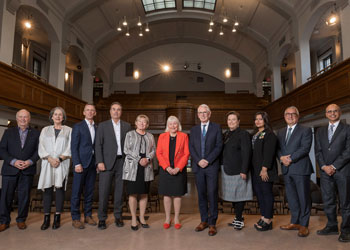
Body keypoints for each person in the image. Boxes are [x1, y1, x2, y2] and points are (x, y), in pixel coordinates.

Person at [0, 109, 40, 232]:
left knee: (24, 197)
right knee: (6, 197)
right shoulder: (8, 132)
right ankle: (3, 221)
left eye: (26, 117)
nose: (23, 119)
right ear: (17, 119)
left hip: (27, 170)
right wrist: (13, 161)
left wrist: (30, 162)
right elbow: (2, 150)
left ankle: (21, 219)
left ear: (29, 119)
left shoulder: (36, 133)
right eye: (21, 117)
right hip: (10, 169)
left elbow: (39, 151)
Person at [315, 104, 350, 242]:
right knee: (328, 201)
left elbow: (348, 151)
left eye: (335, 111)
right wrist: (324, 166)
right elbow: (318, 151)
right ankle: (332, 226)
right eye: (329, 111)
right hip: (325, 173)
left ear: (340, 113)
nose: (332, 113)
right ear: (326, 114)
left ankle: (346, 230)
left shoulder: (347, 129)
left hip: (343, 171)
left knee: (346, 203)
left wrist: (334, 166)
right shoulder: (320, 131)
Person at [277, 106, 313, 237]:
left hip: (300, 168)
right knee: (292, 198)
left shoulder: (305, 130)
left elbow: (305, 148)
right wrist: (281, 157)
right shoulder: (280, 131)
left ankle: (304, 225)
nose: (290, 116)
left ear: (297, 116)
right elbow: (278, 148)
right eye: (287, 114)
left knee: (303, 198)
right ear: (284, 116)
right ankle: (294, 222)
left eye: (293, 114)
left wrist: (290, 159)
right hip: (287, 170)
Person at [95, 102, 131, 230]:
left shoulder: (127, 126)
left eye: (119, 110)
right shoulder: (103, 126)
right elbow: (98, 145)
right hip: (106, 162)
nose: (116, 112)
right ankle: (102, 219)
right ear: (110, 111)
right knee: (104, 192)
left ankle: (118, 216)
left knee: (120, 192)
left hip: (122, 162)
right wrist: (99, 161)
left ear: (121, 112)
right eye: (114, 109)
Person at [189, 104, 223, 236]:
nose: (203, 114)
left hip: (211, 166)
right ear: (198, 115)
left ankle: (212, 223)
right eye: (200, 112)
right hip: (198, 167)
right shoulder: (194, 129)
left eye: (205, 112)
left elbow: (219, 146)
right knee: (201, 194)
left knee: (212, 194)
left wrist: (207, 160)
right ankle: (204, 220)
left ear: (209, 114)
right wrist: (198, 160)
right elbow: (191, 147)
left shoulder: (216, 127)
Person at [38, 107, 72, 230]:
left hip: (62, 163)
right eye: (55, 114)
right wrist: (50, 159)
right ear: (51, 117)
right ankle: (46, 218)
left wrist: (60, 159)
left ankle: (57, 217)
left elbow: (70, 147)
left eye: (60, 115)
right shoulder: (45, 130)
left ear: (63, 117)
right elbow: (41, 146)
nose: (57, 116)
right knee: (47, 189)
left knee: (59, 189)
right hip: (48, 162)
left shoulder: (69, 130)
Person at [123, 115, 155, 231]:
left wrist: (147, 159)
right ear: (136, 123)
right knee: (133, 194)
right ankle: (133, 218)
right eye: (140, 122)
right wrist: (139, 159)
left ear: (147, 124)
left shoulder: (150, 136)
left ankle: (142, 218)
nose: (142, 124)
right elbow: (126, 149)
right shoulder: (130, 134)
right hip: (133, 167)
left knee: (144, 193)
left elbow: (153, 150)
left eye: (144, 122)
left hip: (146, 167)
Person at [157, 116, 190, 230]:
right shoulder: (162, 136)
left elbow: (186, 154)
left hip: (178, 170)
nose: (172, 126)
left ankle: (176, 218)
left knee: (177, 194)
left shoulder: (184, 136)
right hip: (165, 170)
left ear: (178, 125)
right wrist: (167, 167)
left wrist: (178, 167)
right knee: (166, 195)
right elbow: (159, 153)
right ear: (167, 125)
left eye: (175, 124)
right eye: (170, 124)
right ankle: (167, 218)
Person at [220, 111, 252, 230]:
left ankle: (239, 219)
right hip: (227, 169)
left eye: (234, 119)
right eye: (229, 120)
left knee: (239, 196)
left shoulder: (243, 134)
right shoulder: (226, 134)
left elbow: (246, 152)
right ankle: (237, 217)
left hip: (238, 170)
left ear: (238, 121)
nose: (231, 122)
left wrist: (244, 170)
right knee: (232, 196)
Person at [70, 104, 97, 229]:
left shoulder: (97, 127)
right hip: (80, 164)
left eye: (92, 110)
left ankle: (88, 215)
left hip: (92, 164)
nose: (90, 112)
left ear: (95, 113)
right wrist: (76, 163)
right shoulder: (78, 126)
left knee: (89, 192)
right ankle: (75, 218)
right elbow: (74, 147)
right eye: (88, 110)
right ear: (84, 112)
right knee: (76, 192)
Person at [251, 111, 278, 231]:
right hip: (255, 170)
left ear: (265, 121)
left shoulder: (269, 134)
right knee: (260, 194)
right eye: (256, 119)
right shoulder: (255, 134)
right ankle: (263, 216)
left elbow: (269, 153)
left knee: (266, 194)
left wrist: (264, 169)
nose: (257, 121)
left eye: (260, 119)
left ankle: (268, 219)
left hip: (265, 170)